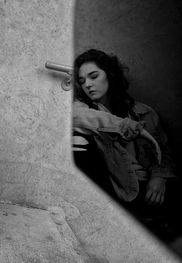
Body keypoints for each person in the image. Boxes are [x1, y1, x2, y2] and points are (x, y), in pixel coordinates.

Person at [71, 49, 181, 239]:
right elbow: (78, 116)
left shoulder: (144, 112)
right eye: (82, 81)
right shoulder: (83, 111)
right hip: (116, 188)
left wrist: (159, 177)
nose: (88, 84)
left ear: (110, 75)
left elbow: (164, 151)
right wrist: (123, 125)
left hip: (148, 188)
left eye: (94, 76)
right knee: (77, 140)